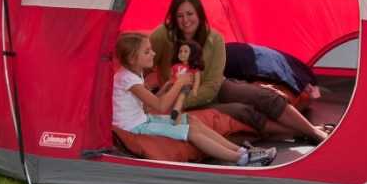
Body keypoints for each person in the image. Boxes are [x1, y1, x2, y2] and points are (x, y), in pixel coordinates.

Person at [148, 0, 332, 143]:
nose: (185, 20)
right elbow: (143, 65)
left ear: (199, 14)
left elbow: (212, 85)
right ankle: (305, 132)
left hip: (214, 88)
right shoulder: (163, 34)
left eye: (190, 14)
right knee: (244, 112)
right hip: (180, 97)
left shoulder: (214, 39)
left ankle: (314, 132)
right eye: (179, 15)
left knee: (265, 96)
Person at [112, 32, 277, 166]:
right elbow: (161, 107)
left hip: (141, 118)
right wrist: (180, 83)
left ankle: (243, 151)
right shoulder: (128, 79)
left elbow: (146, 108)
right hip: (134, 127)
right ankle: (242, 160)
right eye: (147, 51)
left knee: (191, 119)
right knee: (190, 132)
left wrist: (169, 83)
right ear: (132, 59)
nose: (153, 54)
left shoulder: (134, 72)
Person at [168, 39, 203, 122]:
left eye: (185, 51)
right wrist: (172, 80)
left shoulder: (193, 68)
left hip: (185, 87)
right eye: (180, 51)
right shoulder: (175, 66)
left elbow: (197, 80)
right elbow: (171, 77)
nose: (182, 53)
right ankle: (177, 118)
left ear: (192, 54)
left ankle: (176, 110)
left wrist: (195, 89)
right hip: (174, 86)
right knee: (173, 100)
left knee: (180, 98)